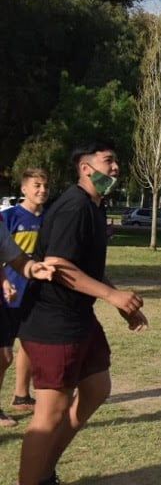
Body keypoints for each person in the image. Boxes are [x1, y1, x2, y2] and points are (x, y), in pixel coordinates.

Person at [17, 141, 147, 485]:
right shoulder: (74, 206)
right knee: (50, 414)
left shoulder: (95, 206)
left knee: (96, 387)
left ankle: (44, 472)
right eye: (108, 160)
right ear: (86, 168)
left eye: (117, 161)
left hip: (78, 320)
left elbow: (83, 264)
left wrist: (119, 299)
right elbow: (58, 265)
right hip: (52, 323)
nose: (116, 167)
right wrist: (111, 295)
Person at [0, 168, 48, 427]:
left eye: (45, 186)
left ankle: (21, 395)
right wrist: (6, 281)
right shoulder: (8, 218)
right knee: (4, 353)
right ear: (24, 189)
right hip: (9, 294)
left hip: (35, 294)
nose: (42, 190)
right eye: (36, 185)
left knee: (28, 344)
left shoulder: (49, 220)